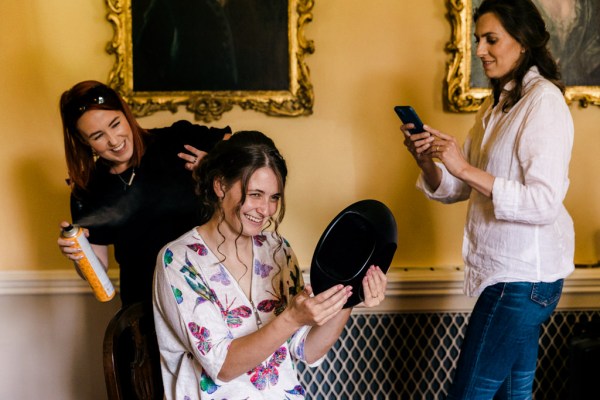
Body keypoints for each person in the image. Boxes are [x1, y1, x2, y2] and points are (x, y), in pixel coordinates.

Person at [401, 0, 574, 398]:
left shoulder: (542, 102)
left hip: (521, 279)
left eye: (491, 39)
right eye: (478, 39)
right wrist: (429, 162)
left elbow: (543, 202)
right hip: (512, 277)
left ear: (524, 41)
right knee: (515, 395)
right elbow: (462, 186)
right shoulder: (496, 105)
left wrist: (462, 167)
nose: (479, 50)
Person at [153, 131, 388, 399]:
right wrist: (291, 318)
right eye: (255, 194)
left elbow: (306, 349)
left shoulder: (276, 249)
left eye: (274, 197)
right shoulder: (179, 260)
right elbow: (223, 367)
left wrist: (351, 292)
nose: (265, 210)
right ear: (220, 186)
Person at [56, 80, 231, 306]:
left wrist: (214, 165)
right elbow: (99, 272)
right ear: (83, 140)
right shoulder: (88, 189)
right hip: (144, 308)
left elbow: (250, 154)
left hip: (213, 294)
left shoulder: (177, 141)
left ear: (126, 114)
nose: (113, 140)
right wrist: (79, 255)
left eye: (115, 124)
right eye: (98, 136)